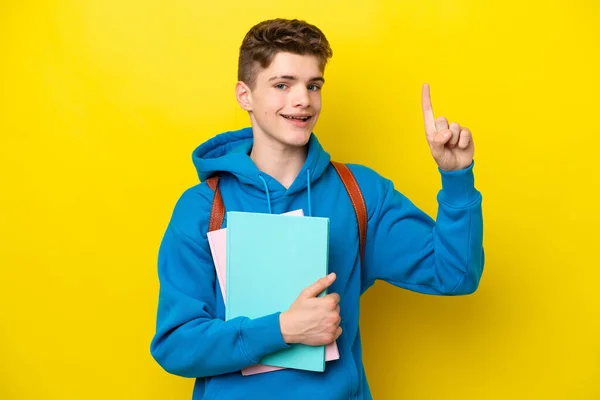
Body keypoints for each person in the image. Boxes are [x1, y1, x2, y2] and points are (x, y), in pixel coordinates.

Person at [150, 18, 484, 400]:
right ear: (245, 95)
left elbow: (455, 275)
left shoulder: (360, 194)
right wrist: (282, 330)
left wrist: (457, 179)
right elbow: (176, 345)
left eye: (313, 85)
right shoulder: (201, 208)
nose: (303, 100)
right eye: (282, 85)